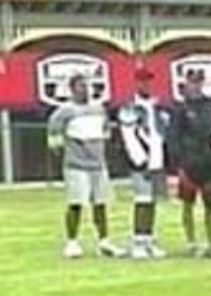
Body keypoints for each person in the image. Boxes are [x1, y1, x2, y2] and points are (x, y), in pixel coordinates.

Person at [47, 73, 124, 259]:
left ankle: (104, 241)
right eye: (81, 86)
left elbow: (106, 132)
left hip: (98, 165)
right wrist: (68, 155)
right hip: (76, 166)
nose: (85, 90)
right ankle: (72, 242)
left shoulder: (99, 110)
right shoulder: (63, 112)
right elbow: (54, 140)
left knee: (100, 204)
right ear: (72, 89)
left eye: (86, 86)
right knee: (75, 204)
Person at [117, 67, 172, 259]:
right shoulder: (130, 108)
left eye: (148, 81)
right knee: (142, 200)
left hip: (157, 159)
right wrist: (141, 160)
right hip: (141, 161)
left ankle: (149, 239)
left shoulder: (158, 107)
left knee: (153, 201)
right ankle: (138, 241)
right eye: (142, 81)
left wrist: (161, 159)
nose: (146, 84)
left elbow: (162, 134)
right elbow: (129, 136)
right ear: (136, 83)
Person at [170, 69, 211, 256]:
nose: (195, 86)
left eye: (198, 82)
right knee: (187, 204)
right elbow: (173, 137)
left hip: (209, 164)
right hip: (188, 163)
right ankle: (191, 242)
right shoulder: (180, 109)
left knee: (210, 204)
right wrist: (178, 164)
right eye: (192, 82)